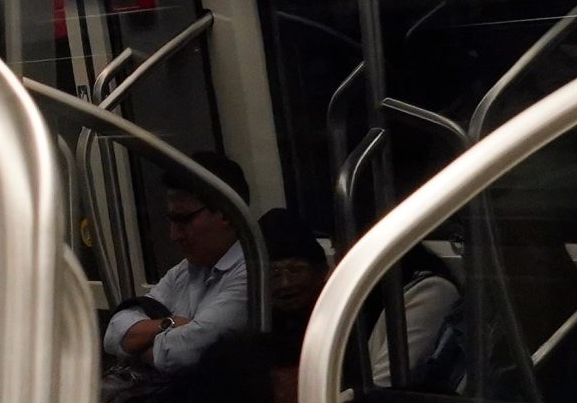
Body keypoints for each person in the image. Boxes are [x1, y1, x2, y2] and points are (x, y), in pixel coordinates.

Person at [258, 205, 463, 389]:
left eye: (295, 270)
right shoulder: (355, 298)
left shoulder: (428, 291)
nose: (285, 283)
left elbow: (384, 386)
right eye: (274, 274)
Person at [104, 151, 253, 373]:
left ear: (227, 214)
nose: (174, 235)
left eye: (184, 220)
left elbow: (184, 353)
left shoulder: (251, 274)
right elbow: (115, 331)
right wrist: (169, 323)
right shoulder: (185, 272)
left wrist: (139, 349)